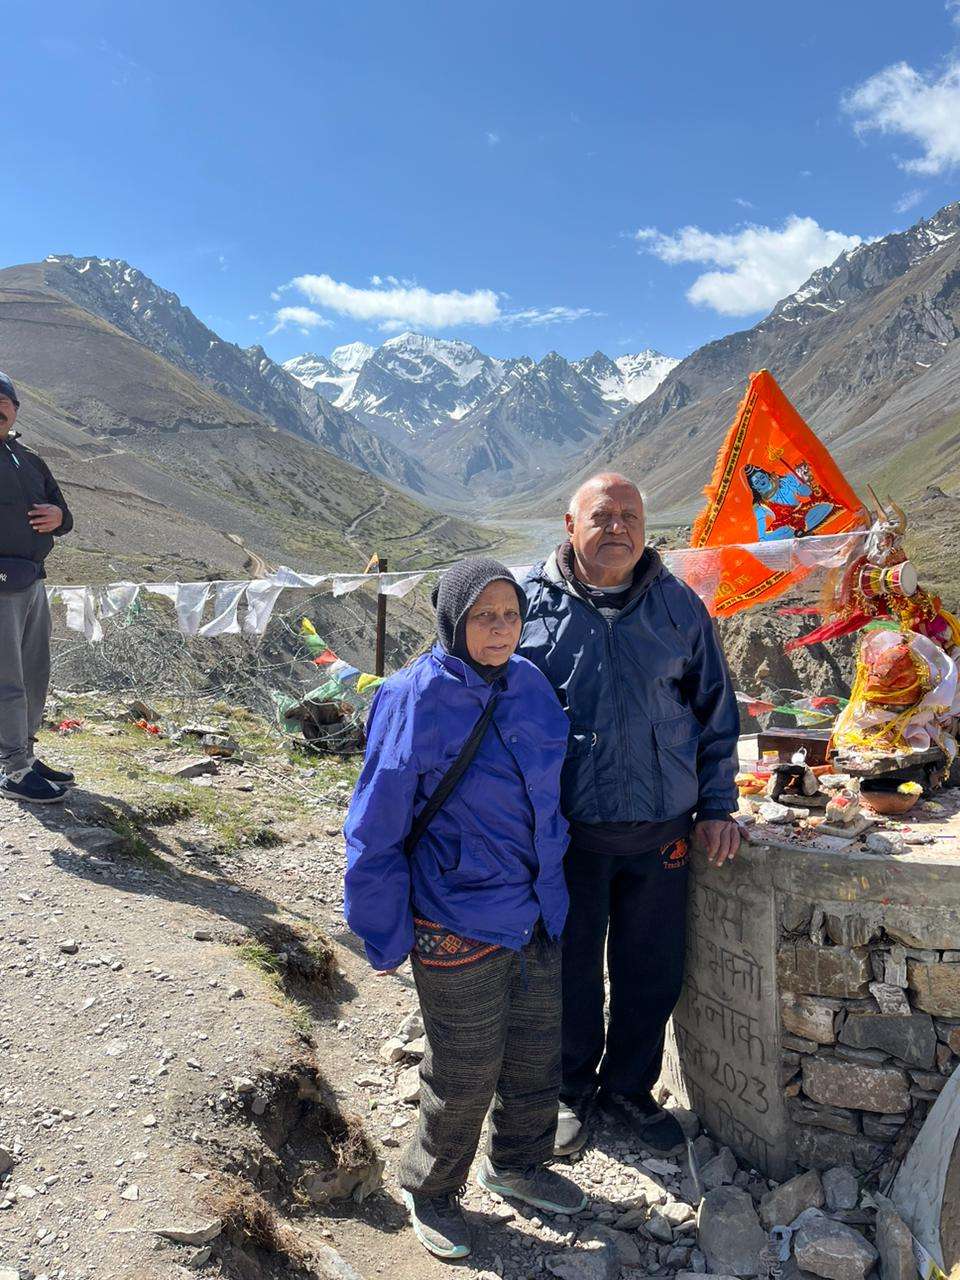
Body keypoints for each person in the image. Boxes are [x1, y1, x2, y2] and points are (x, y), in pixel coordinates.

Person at [344, 558, 586, 1261]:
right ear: (453, 620)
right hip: (455, 915)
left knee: (538, 1052)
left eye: (510, 615)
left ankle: (518, 1163)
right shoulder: (413, 697)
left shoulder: (532, 684)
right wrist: (383, 933)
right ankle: (433, 1188)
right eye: (485, 616)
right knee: (465, 1067)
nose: (501, 629)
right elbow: (375, 827)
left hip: (538, 905)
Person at [518, 474, 740, 1157]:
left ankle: (629, 1090)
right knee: (570, 967)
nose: (618, 527)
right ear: (569, 522)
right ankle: (568, 1090)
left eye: (630, 516)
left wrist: (718, 805)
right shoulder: (525, 605)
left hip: (661, 832)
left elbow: (715, 713)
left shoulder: (679, 606)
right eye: (603, 515)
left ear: (646, 527)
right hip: (566, 834)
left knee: (651, 968)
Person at [0, 371, 75, 804]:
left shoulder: (28, 457)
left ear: (14, 410)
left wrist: (57, 518)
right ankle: (11, 769)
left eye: (2, 402)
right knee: (6, 678)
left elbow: (66, 514)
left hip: (33, 580)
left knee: (34, 673)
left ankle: (25, 755)